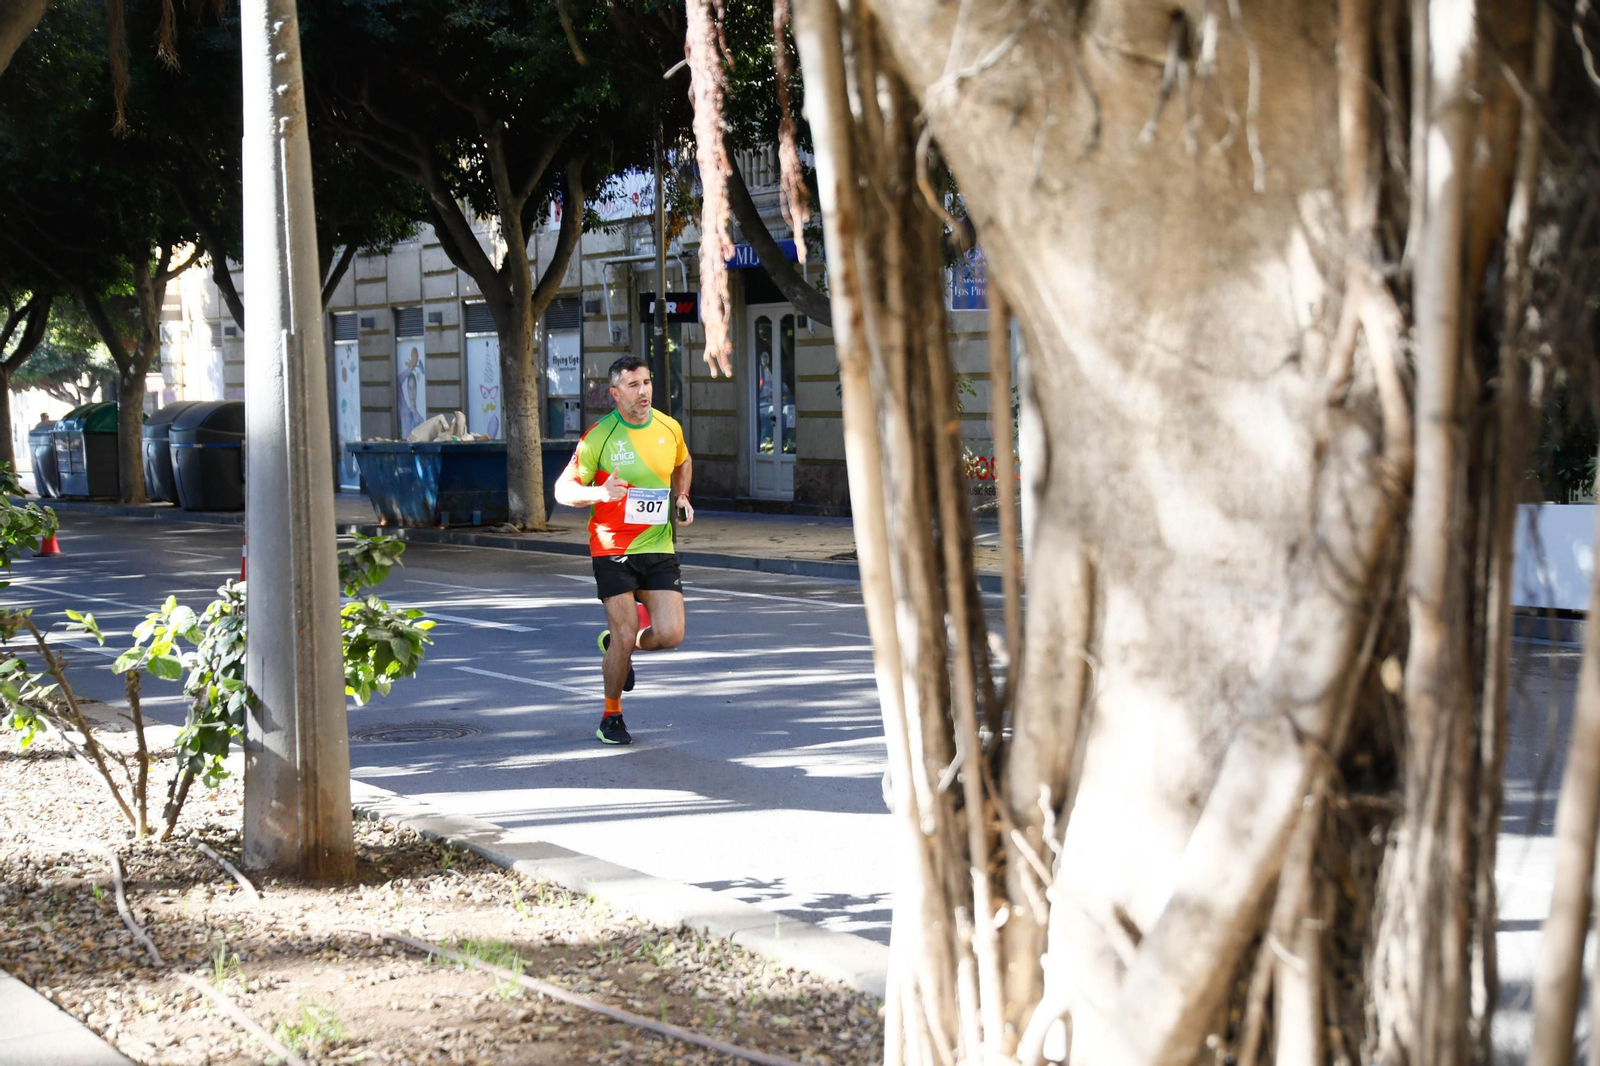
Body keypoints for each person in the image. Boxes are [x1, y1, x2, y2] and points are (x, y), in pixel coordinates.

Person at [554, 355, 694, 745]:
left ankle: (623, 646)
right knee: (625, 626)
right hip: (612, 547)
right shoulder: (599, 436)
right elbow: (562, 490)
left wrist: (681, 496)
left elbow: (683, 461)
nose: (643, 391)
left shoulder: (669, 427)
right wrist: (599, 492)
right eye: (633, 385)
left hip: (659, 543)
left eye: (647, 383)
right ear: (615, 393)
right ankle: (611, 715)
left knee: (670, 634)